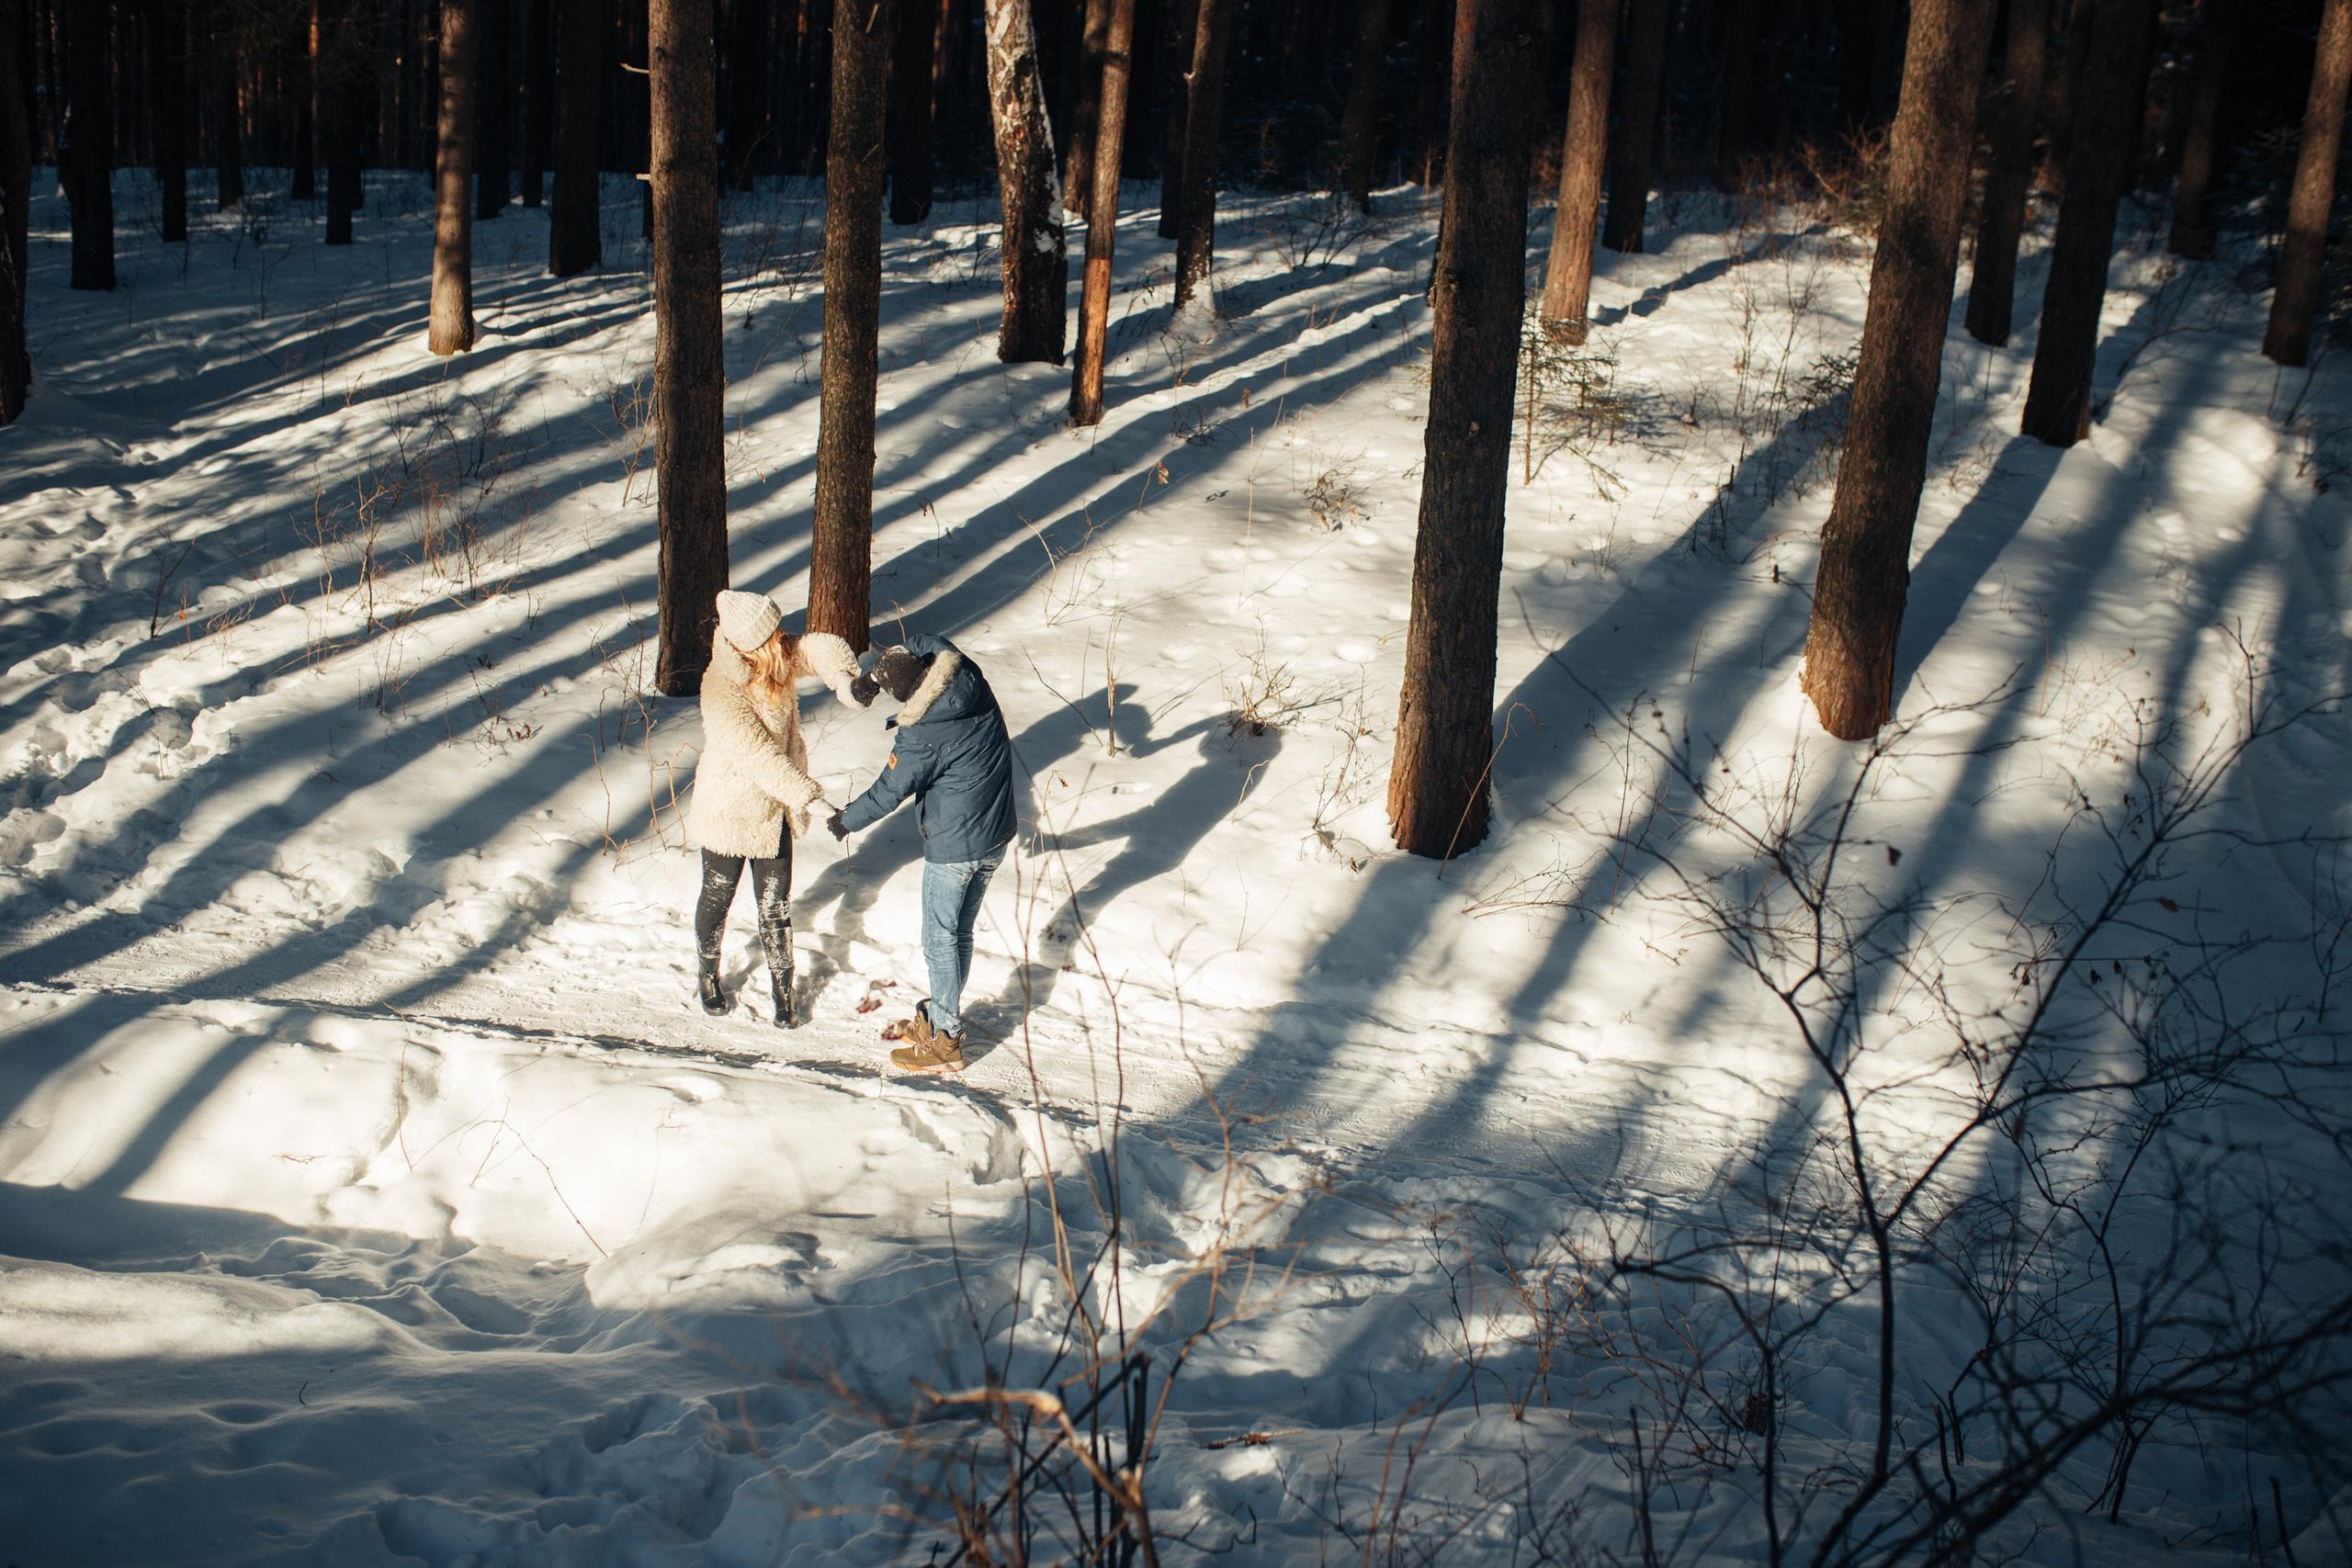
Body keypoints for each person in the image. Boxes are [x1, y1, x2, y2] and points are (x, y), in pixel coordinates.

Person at [829, 633, 1016, 1073]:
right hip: (995, 834)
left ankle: (945, 1040)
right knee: (958, 934)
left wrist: (844, 821)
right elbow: (928, 640)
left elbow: (888, 790)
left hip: (955, 847)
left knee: (939, 940)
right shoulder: (968, 677)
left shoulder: (922, 734)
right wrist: (875, 676)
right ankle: (940, 1016)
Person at [686, 590, 864, 1026]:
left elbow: (817, 646)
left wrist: (843, 679)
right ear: (750, 643)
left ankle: (783, 991)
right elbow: (757, 755)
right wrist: (808, 795)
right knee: (717, 897)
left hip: (772, 814)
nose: (783, 638)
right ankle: (707, 975)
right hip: (728, 812)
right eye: (774, 633)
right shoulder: (720, 688)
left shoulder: (775, 658)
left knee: (776, 906)